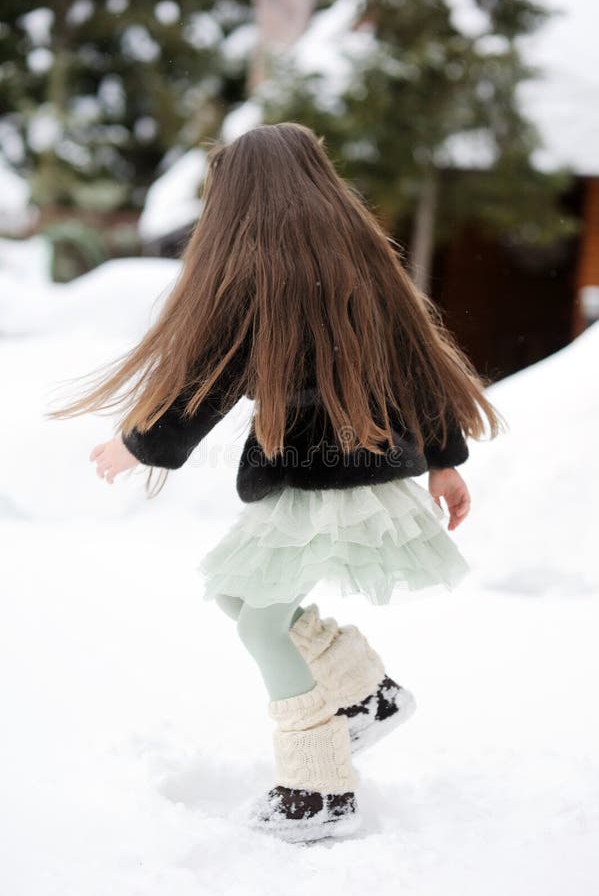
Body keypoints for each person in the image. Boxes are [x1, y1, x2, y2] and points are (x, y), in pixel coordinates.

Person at [52, 122, 505, 844]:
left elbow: (211, 379)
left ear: (238, 200)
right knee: (238, 593)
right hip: (336, 476)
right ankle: (364, 694)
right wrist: (443, 459)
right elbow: (420, 364)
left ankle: (316, 788)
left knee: (260, 622)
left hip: (323, 481)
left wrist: (142, 445)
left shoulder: (265, 270)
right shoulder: (356, 259)